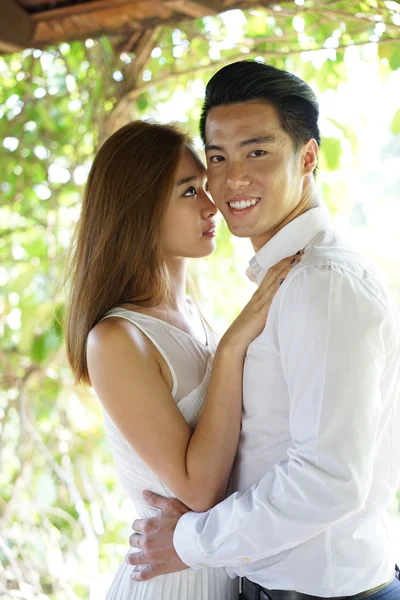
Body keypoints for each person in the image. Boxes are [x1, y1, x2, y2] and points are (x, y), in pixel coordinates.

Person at [126, 61, 400, 600]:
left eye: (258, 152)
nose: (232, 180)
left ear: (309, 157)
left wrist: (189, 542)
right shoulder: (290, 278)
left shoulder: (321, 282)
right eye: (218, 158)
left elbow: (327, 479)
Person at [64, 120, 300, 600]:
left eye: (203, 187)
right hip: (174, 583)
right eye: (190, 191)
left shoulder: (194, 314)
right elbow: (198, 490)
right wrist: (233, 346)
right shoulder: (116, 339)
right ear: (141, 209)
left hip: (220, 566)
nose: (212, 204)